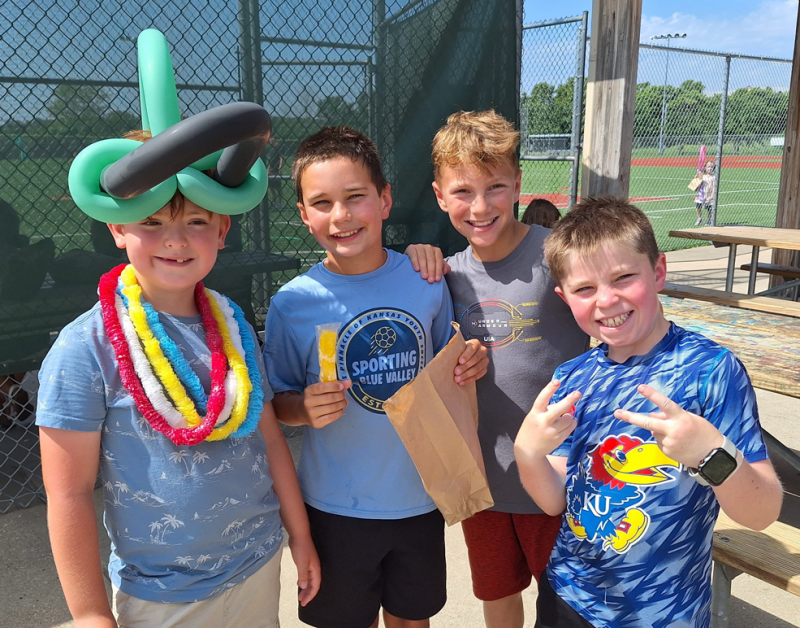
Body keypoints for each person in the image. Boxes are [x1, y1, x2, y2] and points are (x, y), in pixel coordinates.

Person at [36, 30, 320, 627]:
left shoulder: (233, 321)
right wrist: (89, 613)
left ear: (222, 230)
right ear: (116, 227)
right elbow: (67, 493)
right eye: (153, 219)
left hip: (257, 561)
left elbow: (268, 437)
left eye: (196, 219)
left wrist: (300, 535)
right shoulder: (84, 348)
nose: (175, 238)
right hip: (160, 595)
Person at [514, 196, 783, 628]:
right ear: (565, 298)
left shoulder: (710, 370)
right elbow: (554, 501)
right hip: (569, 596)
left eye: (623, 277)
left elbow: (761, 511)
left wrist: (711, 455)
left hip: (664, 613)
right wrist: (527, 455)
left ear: (658, 271)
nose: (606, 300)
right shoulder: (571, 377)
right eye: (585, 288)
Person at [263, 125, 489, 628]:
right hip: (334, 505)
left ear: (385, 200)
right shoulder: (292, 303)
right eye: (321, 203)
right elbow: (276, 402)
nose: (340, 216)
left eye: (356, 197)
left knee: (412, 619)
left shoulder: (426, 279)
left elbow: (447, 368)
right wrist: (303, 408)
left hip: (420, 495)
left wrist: (470, 359)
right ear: (303, 215)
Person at [406, 110, 588, 628]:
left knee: (567, 609)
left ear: (518, 185)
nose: (480, 206)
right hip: (484, 486)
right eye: (462, 191)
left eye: (496, 187)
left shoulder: (558, 256)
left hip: (560, 480)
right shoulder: (442, 275)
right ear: (440, 196)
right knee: (499, 598)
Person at [694, 158, 716, 226]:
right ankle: (699, 218)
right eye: (708, 166)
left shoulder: (713, 177)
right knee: (698, 205)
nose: (710, 168)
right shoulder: (702, 176)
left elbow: (713, 187)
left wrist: (712, 195)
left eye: (711, 167)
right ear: (705, 167)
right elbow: (696, 186)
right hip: (702, 194)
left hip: (709, 194)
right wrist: (696, 179)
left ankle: (709, 220)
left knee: (709, 208)